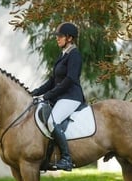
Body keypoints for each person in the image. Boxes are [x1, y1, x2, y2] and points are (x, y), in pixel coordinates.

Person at [31, 22, 85, 172]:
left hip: (71, 97)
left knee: (52, 121)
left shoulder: (75, 55)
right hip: (61, 97)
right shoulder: (62, 55)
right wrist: (34, 92)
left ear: (69, 38)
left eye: (60, 36)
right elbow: (52, 81)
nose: (57, 39)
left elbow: (69, 80)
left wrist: (48, 95)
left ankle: (67, 159)